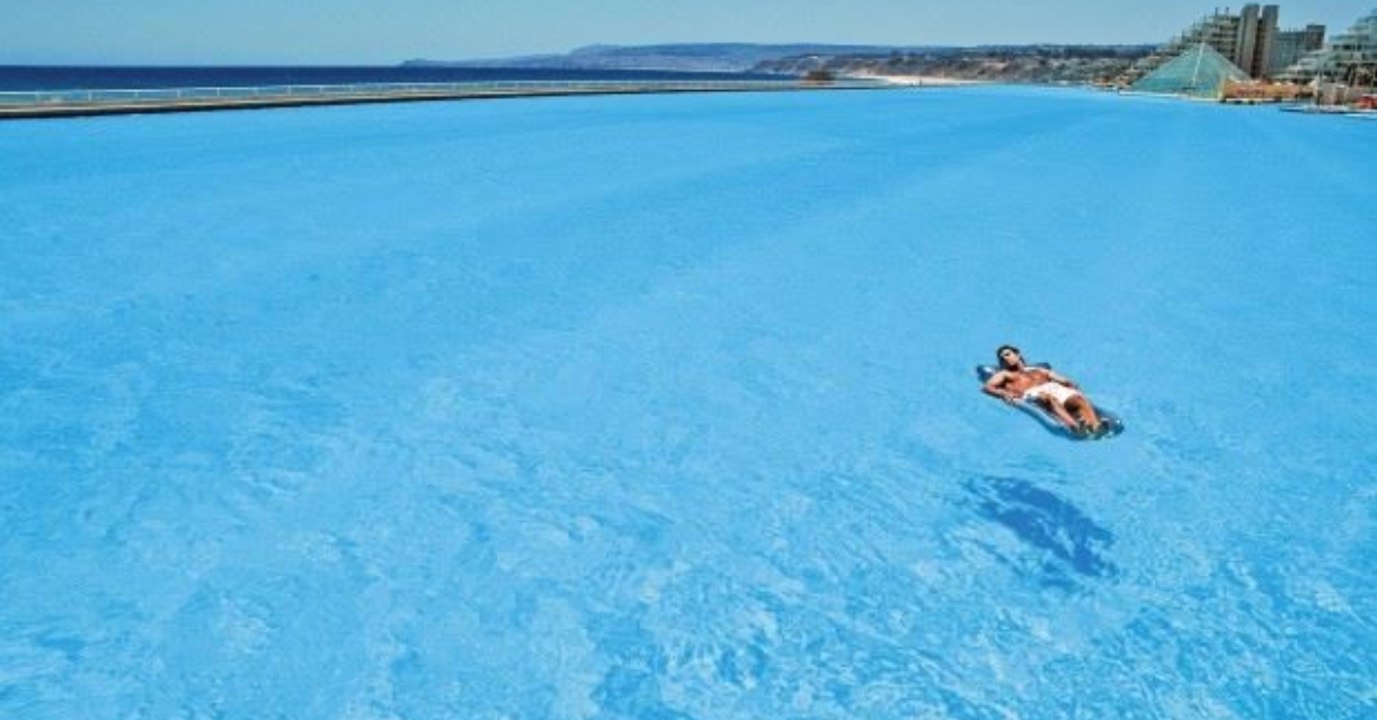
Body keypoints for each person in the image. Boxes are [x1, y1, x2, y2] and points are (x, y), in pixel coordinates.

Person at [982, 345, 1104, 435]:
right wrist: (1003, 393)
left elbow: (1065, 381)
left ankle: (1095, 427)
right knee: (1047, 397)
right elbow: (987, 387)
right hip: (1033, 393)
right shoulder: (1005, 374)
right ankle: (1075, 428)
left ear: (1017, 354)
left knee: (1078, 399)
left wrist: (1073, 387)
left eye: (1007, 354)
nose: (1005, 358)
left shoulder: (1039, 370)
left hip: (1054, 388)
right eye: (1002, 358)